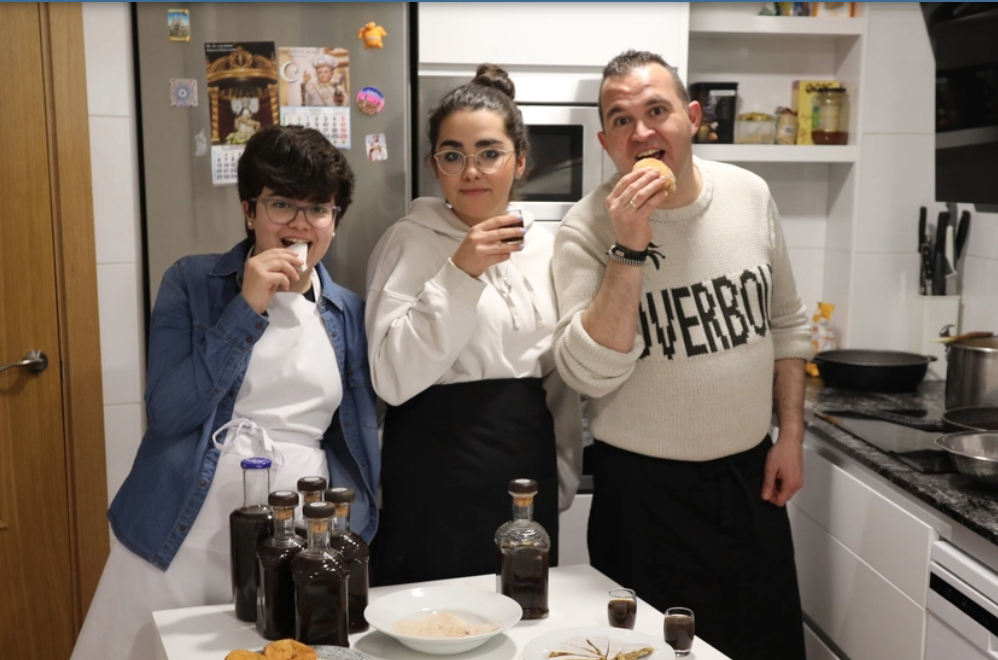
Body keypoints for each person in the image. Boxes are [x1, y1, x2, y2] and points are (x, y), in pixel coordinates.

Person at [71, 125, 379, 660]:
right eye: (282, 203)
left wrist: (357, 532)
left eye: (319, 208)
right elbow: (169, 413)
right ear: (249, 210)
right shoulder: (192, 283)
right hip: (183, 525)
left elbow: (356, 438)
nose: (301, 223)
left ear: (335, 219)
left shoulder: (348, 310)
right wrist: (247, 306)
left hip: (293, 535)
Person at [551, 50, 812, 660]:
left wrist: (791, 434)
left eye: (657, 111)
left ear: (692, 118)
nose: (641, 131)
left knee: (765, 645)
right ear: (605, 140)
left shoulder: (749, 194)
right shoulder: (586, 228)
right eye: (620, 119)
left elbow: (788, 323)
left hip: (750, 483)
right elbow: (588, 371)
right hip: (641, 499)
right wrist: (631, 247)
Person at [365, 63, 583, 586]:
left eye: (489, 153)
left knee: (522, 613)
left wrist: (562, 473)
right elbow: (389, 378)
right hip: (429, 472)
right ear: (434, 166)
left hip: (524, 470)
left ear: (520, 161)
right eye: (453, 156)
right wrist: (460, 272)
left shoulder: (549, 248)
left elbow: (559, 380)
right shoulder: (408, 241)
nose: (471, 171)